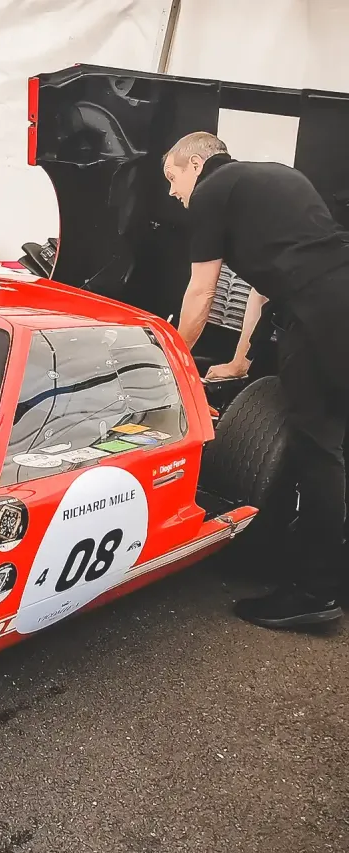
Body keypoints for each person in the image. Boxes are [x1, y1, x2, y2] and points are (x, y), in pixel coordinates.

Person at [165, 131, 349, 630]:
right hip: (337, 297)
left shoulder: (211, 192)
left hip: (321, 315)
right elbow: (262, 293)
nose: (172, 191)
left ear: (196, 164)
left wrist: (172, 362)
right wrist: (240, 360)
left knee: (318, 447)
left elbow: (201, 292)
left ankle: (314, 593)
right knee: (335, 441)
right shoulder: (278, 177)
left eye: (172, 176)